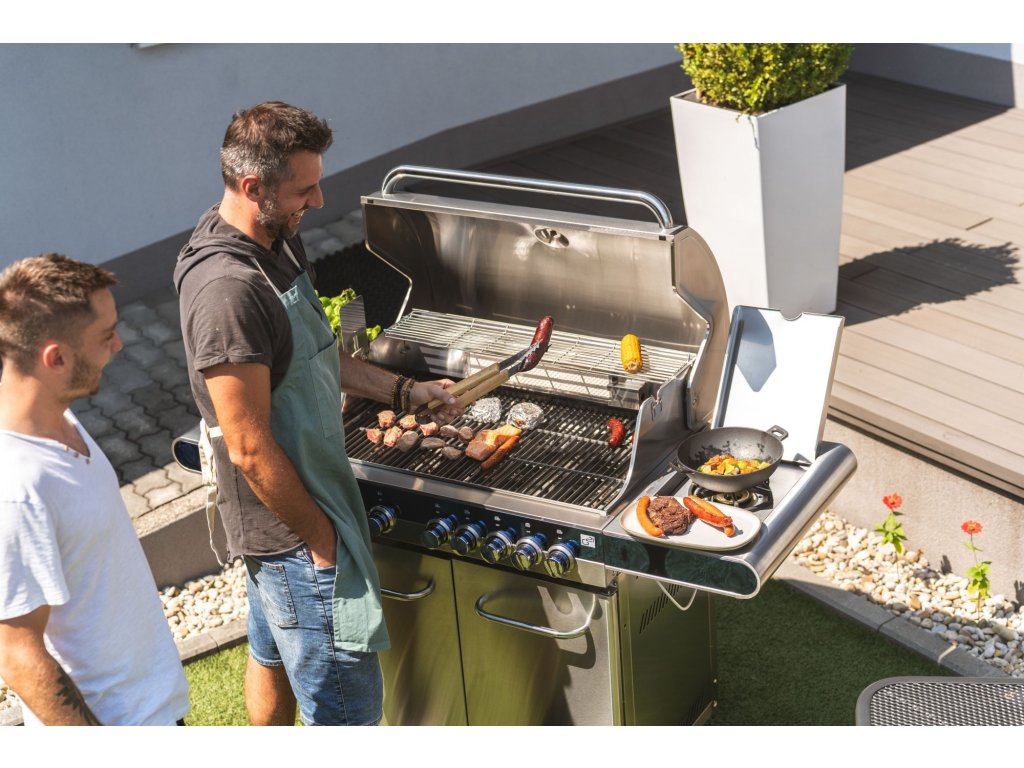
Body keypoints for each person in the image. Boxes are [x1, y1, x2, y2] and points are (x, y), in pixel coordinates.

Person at [174, 101, 460, 727]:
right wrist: (321, 543)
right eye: (304, 189)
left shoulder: (273, 238)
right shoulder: (228, 293)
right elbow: (249, 446)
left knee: (270, 655)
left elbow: (315, 352)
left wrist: (403, 390)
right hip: (290, 529)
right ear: (254, 187)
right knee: (345, 718)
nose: (320, 200)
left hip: (299, 515)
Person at [0, 253, 190, 726]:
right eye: (106, 336)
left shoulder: (62, 418)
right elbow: (17, 652)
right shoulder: (18, 488)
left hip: (154, 707)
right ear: (56, 358)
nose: (119, 345)